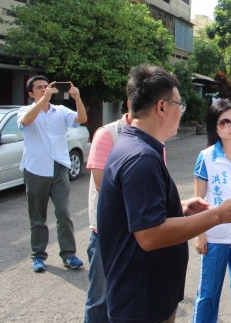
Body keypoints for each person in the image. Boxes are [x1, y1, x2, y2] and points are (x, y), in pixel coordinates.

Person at [98, 65, 231, 323]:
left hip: (147, 294)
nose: (181, 112)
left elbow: (139, 212)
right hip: (143, 301)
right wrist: (219, 215)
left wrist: (180, 207)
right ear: (162, 107)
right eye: (179, 104)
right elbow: (150, 235)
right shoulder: (141, 158)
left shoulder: (137, 147)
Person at [17, 76, 87, 273]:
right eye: (39, 88)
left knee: (63, 212)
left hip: (59, 168)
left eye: (45, 87)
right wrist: (42, 101)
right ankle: (38, 256)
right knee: (37, 216)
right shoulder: (26, 110)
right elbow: (25, 122)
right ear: (31, 93)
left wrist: (77, 98)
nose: (43, 89)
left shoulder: (60, 111)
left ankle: (69, 255)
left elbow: (81, 119)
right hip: (36, 169)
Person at [192, 100, 231, 323]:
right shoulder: (206, 156)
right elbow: (198, 200)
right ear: (214, 127)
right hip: (215, 237)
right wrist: (201, 234)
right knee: (208, 294)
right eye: (224, 122)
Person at [84, 111, 131, 323]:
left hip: (136, 231)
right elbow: (102, 185)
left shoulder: (154, 138)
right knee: (99, 300)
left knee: (126, 298)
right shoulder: (107, 134)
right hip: (106, 233)